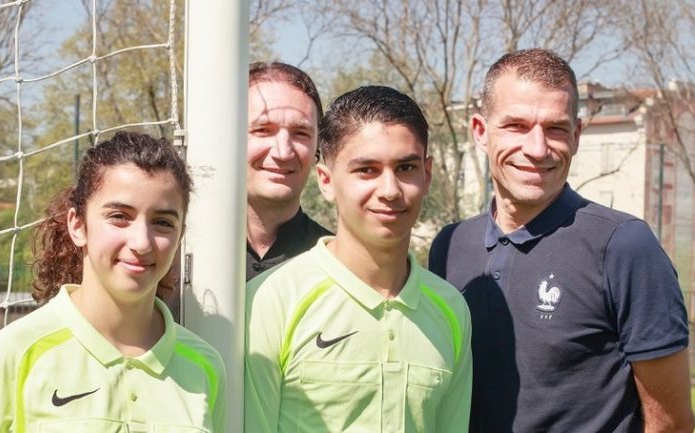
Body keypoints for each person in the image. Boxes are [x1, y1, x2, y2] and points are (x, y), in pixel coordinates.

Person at [428, 48, 693, 432]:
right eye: (516, 126)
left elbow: (670, 423)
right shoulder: (450, 246)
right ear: (481, 132)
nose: (537, 149)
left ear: (577, 134)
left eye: (555, 128)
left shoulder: (623, 246)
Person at [0, 131, 227, 433]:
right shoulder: (14, 354)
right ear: (78, 225)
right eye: (120, 216)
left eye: (162, 222)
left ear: (180, 235)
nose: (142, 242)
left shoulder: (205, 365)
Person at [245, 86, 472, 432]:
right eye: (366, 170)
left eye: (406, 167)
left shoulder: (451, 310)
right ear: (326, 180)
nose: (390, 190)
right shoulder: (271, 300)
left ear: (426, 175)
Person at [246, 61, 332, 281]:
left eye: (301, 133)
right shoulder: (175, 258)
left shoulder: (338, 264)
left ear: (317, 149)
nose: (283, 153)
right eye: (263, 130)